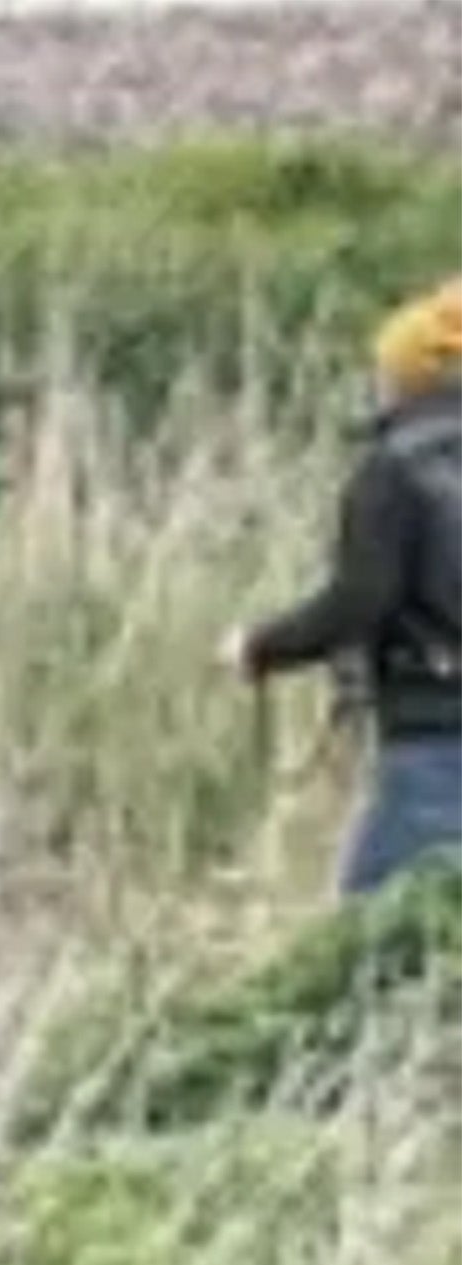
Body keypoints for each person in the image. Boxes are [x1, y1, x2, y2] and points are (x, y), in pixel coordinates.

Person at [221, 278, 462, 897]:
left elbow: (362, 599)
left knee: (372, 944)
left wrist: (260, 647)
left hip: (439, 737)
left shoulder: (394, 469)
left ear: (410, 376)